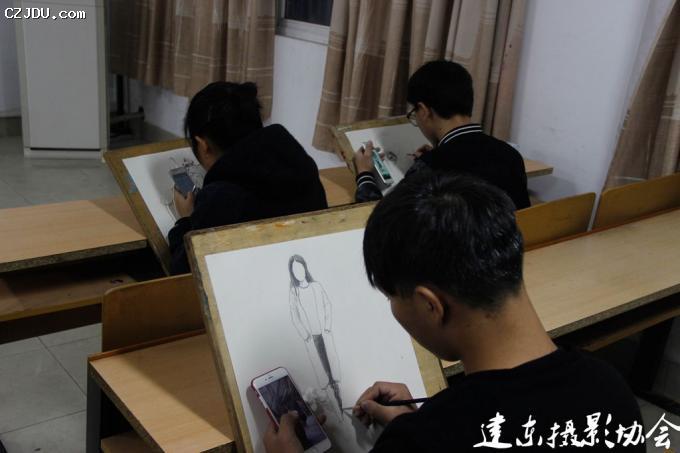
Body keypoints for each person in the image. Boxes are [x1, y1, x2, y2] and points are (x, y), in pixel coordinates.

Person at [264, 172, 644, 453]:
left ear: (431, 305)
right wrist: (420, 424)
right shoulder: (610, 389)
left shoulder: (426, 440)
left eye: (392, 297)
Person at [168, 82, 328, 274]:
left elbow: (182, 271)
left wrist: (186, 220)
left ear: (203, 145)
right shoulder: (300, 163)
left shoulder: (220, 197)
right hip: (316, 268)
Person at [354, 60, 531, 209]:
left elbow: (381, 222)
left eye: (414, 114)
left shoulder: (432, 167)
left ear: (424, 110)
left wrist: (364, 175)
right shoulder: (510, 155)